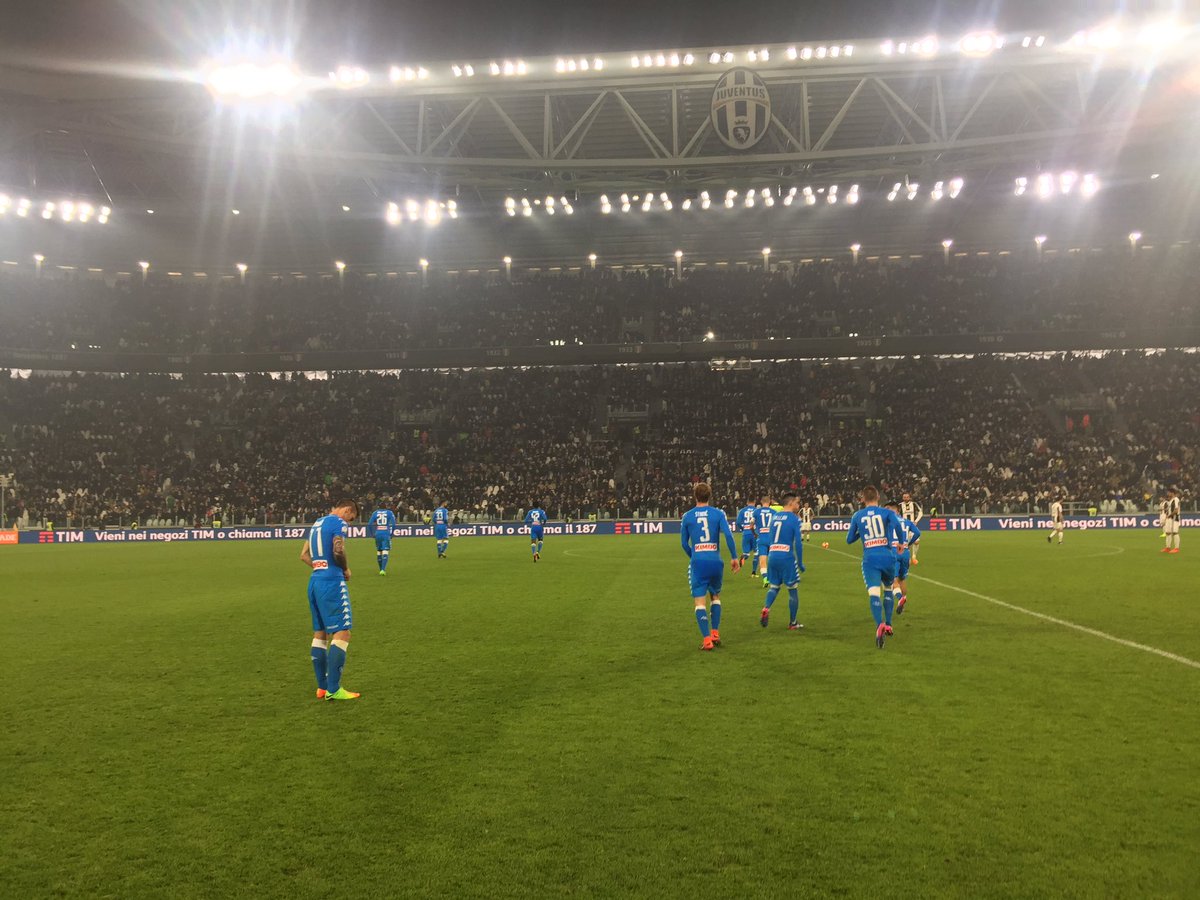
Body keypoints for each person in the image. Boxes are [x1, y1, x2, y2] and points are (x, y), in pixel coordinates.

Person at [300, 499, 360, 701]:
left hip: (314, 581)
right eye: (349, 519)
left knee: (320, 633)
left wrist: (321, 568)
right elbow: (338, 550)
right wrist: (344, 569)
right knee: (343, 631)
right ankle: (334, 689)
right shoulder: (337, 523)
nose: (348, 524)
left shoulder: (317, 523)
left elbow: (304, 555)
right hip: (331, 582)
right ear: (346, 510)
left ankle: (322, 688)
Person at [680, 482, 742, 651]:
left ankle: (707, 640)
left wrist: (694, 556)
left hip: (699, 561)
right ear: (710, 496)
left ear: (695, 496)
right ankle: (715, 632)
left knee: (699, 601)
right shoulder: (718, 513)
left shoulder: (687, 516)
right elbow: (728, 536)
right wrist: (734, 557)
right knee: (715, 596)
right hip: (716, 561)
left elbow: (684, 543)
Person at [846, 486, 904, 649]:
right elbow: (898, 526)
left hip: (870, 559)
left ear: (862, 499)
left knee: (873, 594)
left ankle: (879, 624)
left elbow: (849, 539)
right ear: (878, 497)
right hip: (887, 556)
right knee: (888, 589)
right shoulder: (887, 513)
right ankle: (889, 624)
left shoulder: (857, 515)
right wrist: (900, 542)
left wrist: (861, 532)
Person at [760, 493, 805, 631]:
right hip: (786, 556)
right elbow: (798, 542)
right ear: (791, 503)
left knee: (774, 587)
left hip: (773, 555)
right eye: (797, 503)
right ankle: (793, 622)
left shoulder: (774, 517)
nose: (798, 506)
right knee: (792, 590)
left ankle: (766, 608)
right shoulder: (794, 519)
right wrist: (800, 562)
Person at [886, 501, 921, 616]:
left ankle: (900, 598)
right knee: (902, 579)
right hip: (905, 552)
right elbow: (917, 532)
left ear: (896, 510)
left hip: (894, 552)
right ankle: (903, 605)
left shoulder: (889, 522)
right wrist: (909, 543)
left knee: (893, 580)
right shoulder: (907, 522)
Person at [367, 501, 397, 575]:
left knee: (379, 551)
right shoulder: (389, 513)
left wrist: (372, 534)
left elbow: (369, 524)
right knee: (385, 550)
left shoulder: (375, 513)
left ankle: (380, 569)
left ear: (378, 507)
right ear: (386, 506)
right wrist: (392, 533)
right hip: (386, 533)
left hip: (378, 533)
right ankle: (383, 570)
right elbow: (394, 524)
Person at [753, 494, 775, 584]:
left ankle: (765, 579)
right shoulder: (774, 512)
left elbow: (751, 525)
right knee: (772, 560)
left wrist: (755, 533)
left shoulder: (756, 512)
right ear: (769, 502)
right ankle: (772, 577)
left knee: (762, 560)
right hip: (771, 539)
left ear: (761, 502)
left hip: (761, 538)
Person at [900, 492, 923, 563]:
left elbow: (920, 512)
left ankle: (914, 556)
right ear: (902, 498)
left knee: (916, 541)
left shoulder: (914, 504)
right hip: (904, 527)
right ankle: (907, 558)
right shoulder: (900, 505)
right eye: (904, 497)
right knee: (907, 544)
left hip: (912, 526)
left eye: (907, 497)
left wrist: (916, 521)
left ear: (909, 497)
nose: (906, 498)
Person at [735, 500, 758, 566]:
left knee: (746, 553)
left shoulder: (742, 510)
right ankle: (754, 572)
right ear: (754, 502)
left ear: (747, 502)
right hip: (754, 534)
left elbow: (738, 522)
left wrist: (742, 529)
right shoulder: (756, 510)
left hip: (746, 533)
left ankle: (743, 558)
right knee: (756, 553)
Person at [1161, 488, 1181, 554]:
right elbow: (1169, 510)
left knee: (1175, 532)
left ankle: (1176, 548)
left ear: (1172, 493)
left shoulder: (1176, 499)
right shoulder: (1170, 501)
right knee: (1168, 533)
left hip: (1174, 518)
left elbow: (1176, 510)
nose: (1167, 494)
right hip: (1169, 518)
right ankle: (1168, 547)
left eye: (1168, 492)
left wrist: (1169, 515)